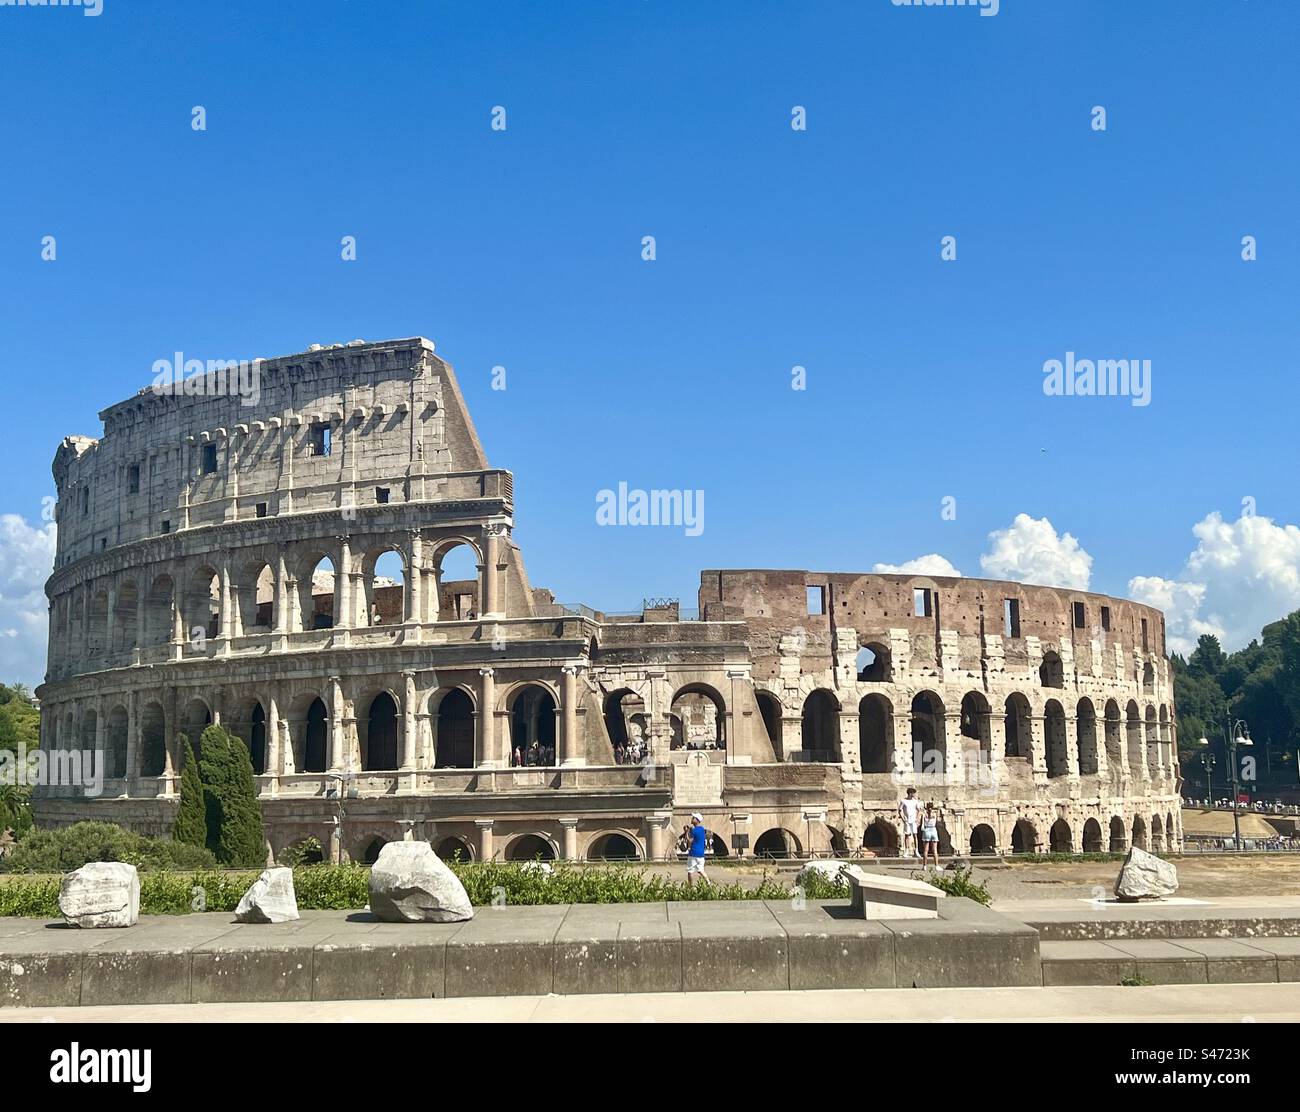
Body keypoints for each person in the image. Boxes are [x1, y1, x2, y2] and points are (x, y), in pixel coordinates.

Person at [686, 812, 709, 885]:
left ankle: (690, 887)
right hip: (701, 853)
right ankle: (708, 882)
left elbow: (690, 841)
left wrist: (686, 833)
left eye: (694, 818)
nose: (692, 819)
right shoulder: (702, 829)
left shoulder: (694, 830)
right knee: (701, 870)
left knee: (690, 870)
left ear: (697, 820)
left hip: (693, 853)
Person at [899, 787, 922, 858]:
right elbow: (900, 810)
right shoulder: (903, 801)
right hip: (907, 820)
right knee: (907, 835)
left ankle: (916, 851)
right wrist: (903, 819)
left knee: (915, 835)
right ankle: (906, 851)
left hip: (913, 821)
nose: (914, 794)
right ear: (910, 793)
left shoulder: (915, 801)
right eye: (913, 793)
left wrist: (917, 818)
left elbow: (918, 810)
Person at [920, 802, 942, 868]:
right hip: (933, 830)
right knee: (934, 850)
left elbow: (922, 823)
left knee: (926, 850)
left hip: (926, 830)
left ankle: (924, 866)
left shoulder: (924, 815)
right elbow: (938, 820)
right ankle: (937, 865)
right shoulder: (934, 814)